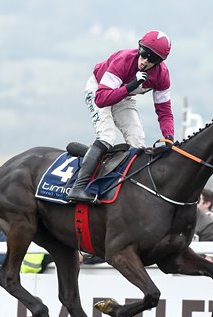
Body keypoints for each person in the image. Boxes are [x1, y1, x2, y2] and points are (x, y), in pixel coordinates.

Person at [68, 30, 175, 203]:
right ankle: (78, 188)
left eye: (152, 59)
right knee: (107, 136)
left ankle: (126, 190)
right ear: (139, 48)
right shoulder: (124, 60)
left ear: (160, 62)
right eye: (144, 54)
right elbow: (101, 99)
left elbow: (164, 111)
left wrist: (169, 137)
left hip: (124, 97)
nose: (145, 61)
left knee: (138, 143)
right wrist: (132, 84)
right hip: (99, 90)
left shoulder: (162, 77)